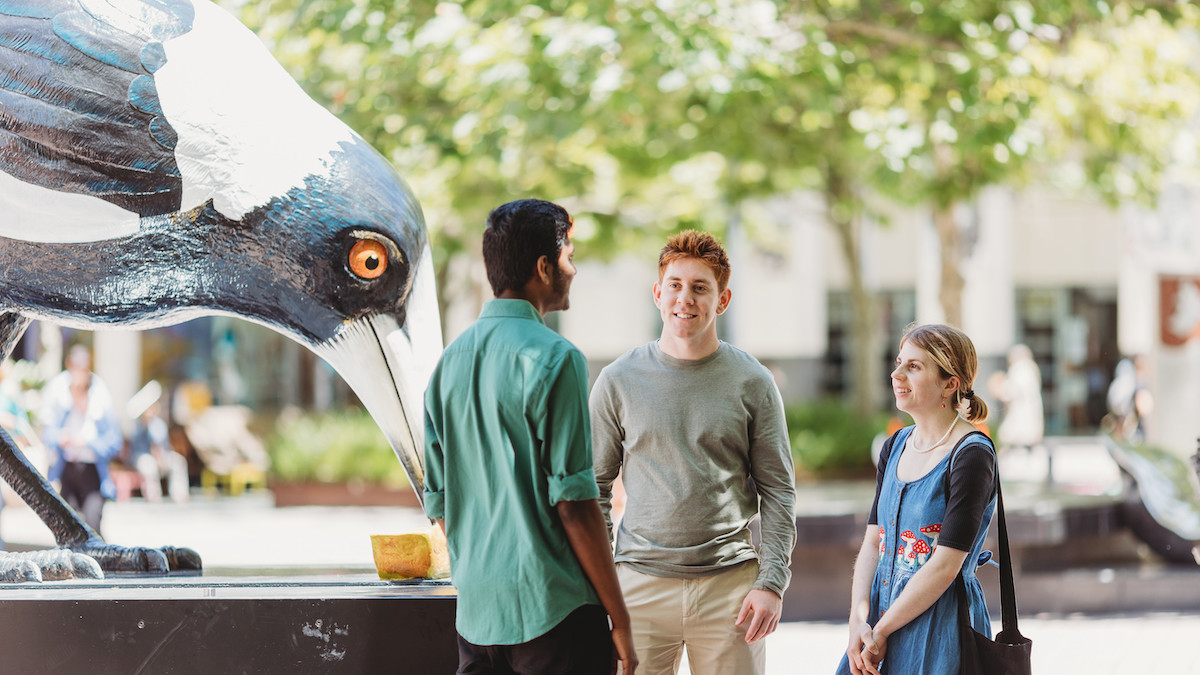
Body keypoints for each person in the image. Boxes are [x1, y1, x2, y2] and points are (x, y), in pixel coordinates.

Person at [423, 199, 637, 675]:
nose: (573, 270)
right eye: (569, 257)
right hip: (555, 613)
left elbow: (439, 505)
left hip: (477, 619)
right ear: (544, 267)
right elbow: (576, 505)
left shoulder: (446, 366)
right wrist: (619, 620)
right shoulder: (557, 358)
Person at [590, 230, 796, 675]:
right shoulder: (617, 380)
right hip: (638, 585)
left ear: (722, 300)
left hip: (731, 589)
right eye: (676, 285)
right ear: (657, 293)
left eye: (700, 287)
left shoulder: (753, 381)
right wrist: (604, 581)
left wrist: (772, 583)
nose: (686, 298)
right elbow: (595, 486)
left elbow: (779, 491)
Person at [837, 323, 996, 675]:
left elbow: (944, 565)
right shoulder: (895, 444)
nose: (896, 374)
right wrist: (858, 621)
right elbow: (873, 543)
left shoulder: (971, 454)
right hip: (879, 618)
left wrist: (879, 631)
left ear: (950, 383)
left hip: (940, 625)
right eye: (898, 362)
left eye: (913, 366)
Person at [40, 346, 122, 534]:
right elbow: (47, 434)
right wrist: (61, 437)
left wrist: (86, 441)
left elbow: (114, 442)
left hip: (92, 470)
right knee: (65, 528)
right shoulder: (58, 390)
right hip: (66, 468)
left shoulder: (100, 394)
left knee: (93, 525)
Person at [127, 381, 190, 503]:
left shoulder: (159, 424)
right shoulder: (139, 426)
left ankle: (179, 495)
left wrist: (161, 457)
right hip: (143, 457)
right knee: (149, 466)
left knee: (178, 462)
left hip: (162, 456)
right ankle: (153, 497)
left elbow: (161, 445)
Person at [994, 344, 1043, 454]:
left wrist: (999, 386)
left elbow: (1011, 392)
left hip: (1021, 416)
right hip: (1027, 415)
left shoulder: (1021, 368)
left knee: (1008, 439)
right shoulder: (1030, 368)